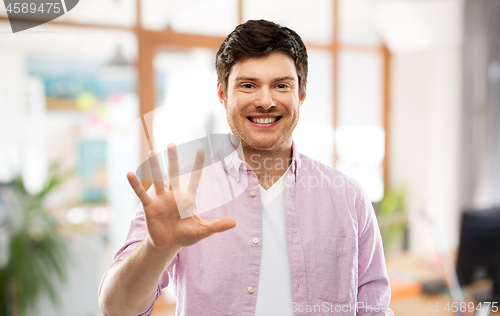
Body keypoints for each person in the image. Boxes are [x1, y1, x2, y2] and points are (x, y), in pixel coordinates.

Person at [98, 19, 393, 316]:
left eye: (281, 85)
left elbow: (375, 310)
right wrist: (156, 249)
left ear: (301, 95)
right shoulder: (181, 193)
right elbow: (116, 309)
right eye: (248, 85)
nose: (265, 101)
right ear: (223, 95)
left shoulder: (349, 198)